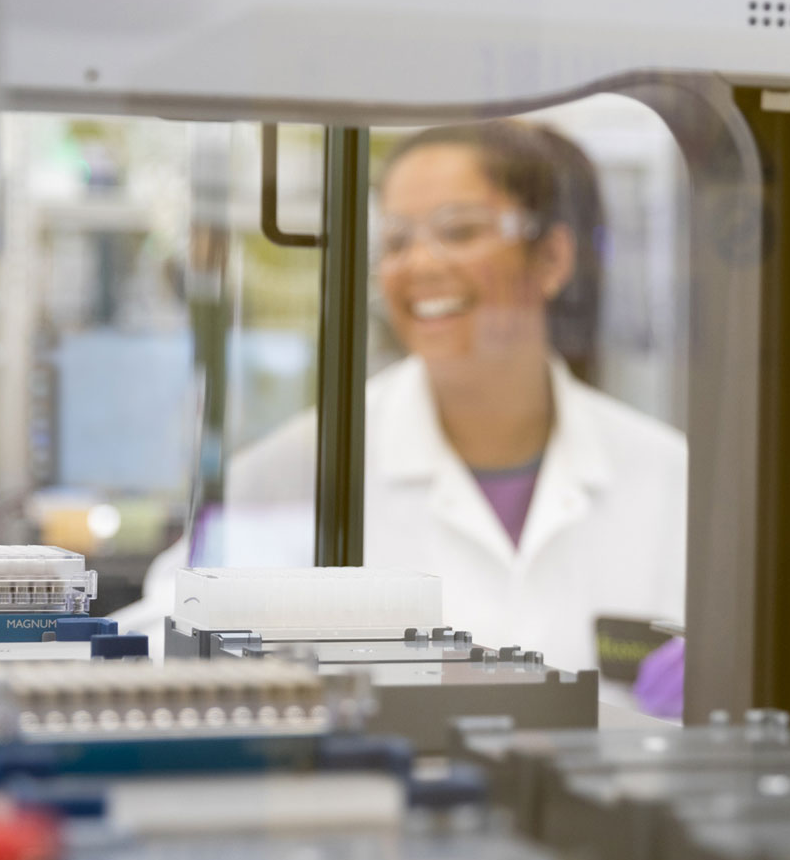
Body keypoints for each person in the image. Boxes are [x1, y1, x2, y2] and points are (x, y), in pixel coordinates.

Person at [130, 119, 687, 674]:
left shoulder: (669, 477)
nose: (418, 265)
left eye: (460, 231)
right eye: (396, 240)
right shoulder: (304, 467)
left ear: (552, 260)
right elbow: (159, 641)